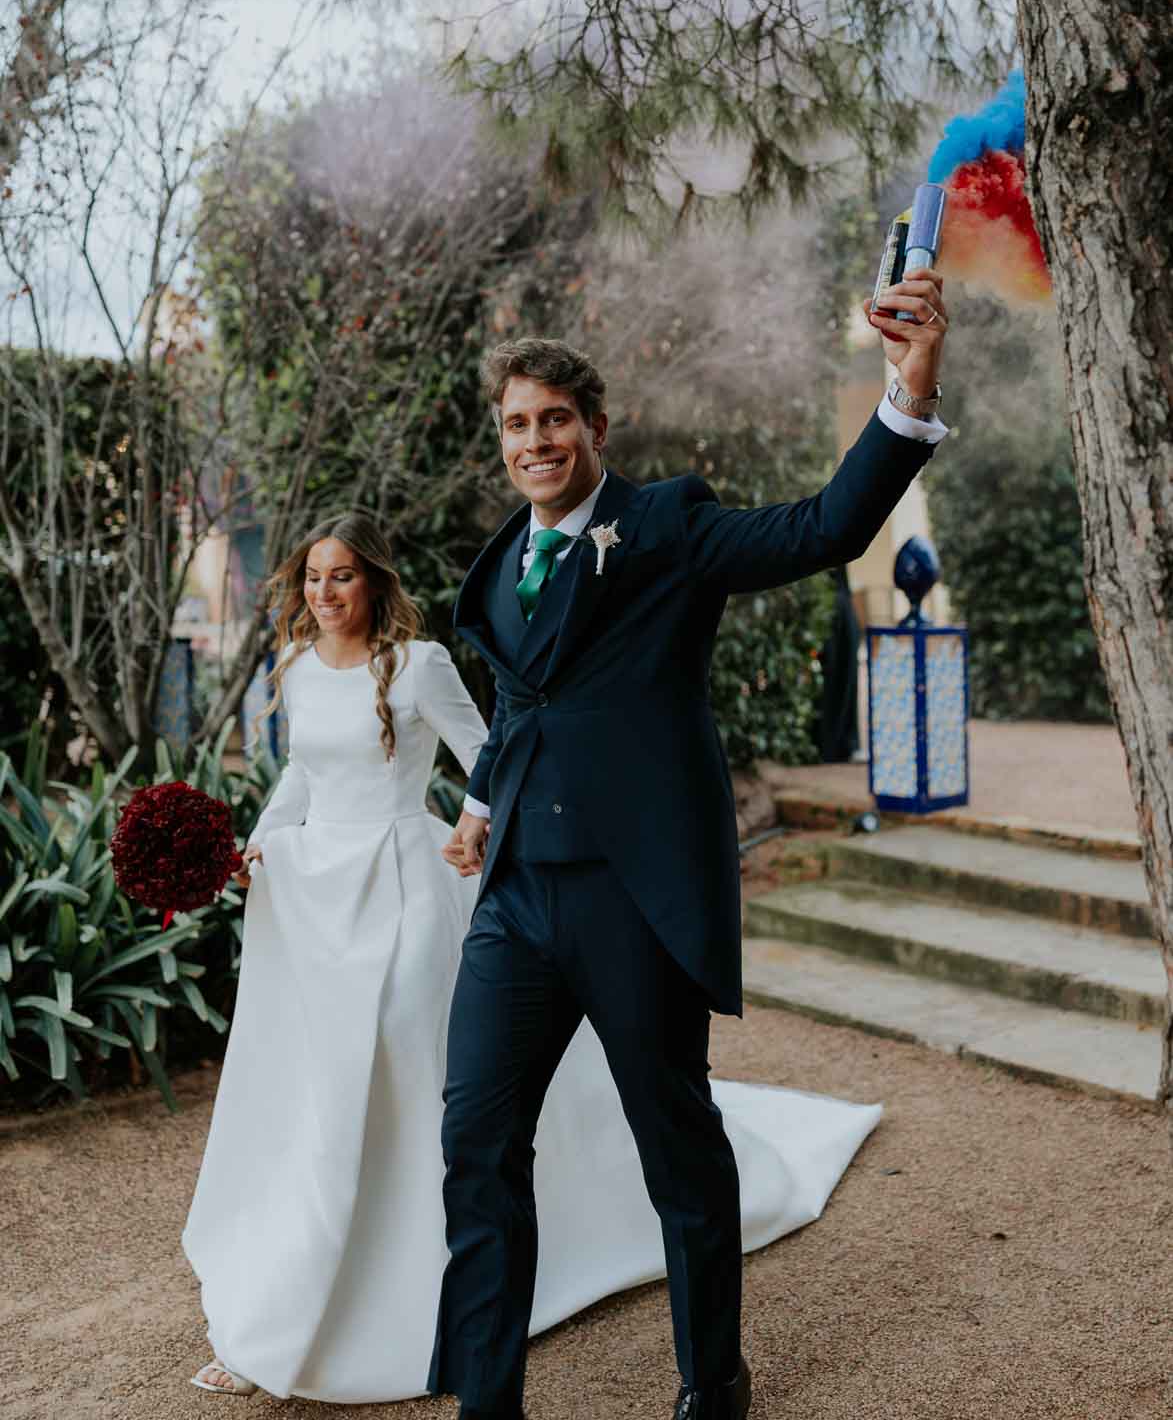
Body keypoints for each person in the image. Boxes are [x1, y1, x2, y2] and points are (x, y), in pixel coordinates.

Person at [182, 513, 888, 1402]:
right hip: (318, 895)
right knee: (329, 1088)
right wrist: (263, 838)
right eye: (313, 578)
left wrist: (477, 825)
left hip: (404, 890)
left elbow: (494, 751)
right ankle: (321, 1282)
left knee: (418, 1081)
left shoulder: (418, 665)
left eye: (342, 576)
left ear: (376, 582)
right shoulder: (292, 665)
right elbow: (300, 773)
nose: (324, 593)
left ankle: (421, 1293)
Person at [429, 268, 950, 1420]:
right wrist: (480, 802)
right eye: (516, 424)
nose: (533, 440)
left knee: (676, 1145)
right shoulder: (501, 560)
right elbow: (521, 698)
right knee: (474, 1140)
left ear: (595, 427)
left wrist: (907, 391)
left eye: (554, 419)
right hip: (516, 901)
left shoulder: (666, 524)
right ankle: (486, 1402)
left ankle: (713, 1382)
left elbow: (823, 526)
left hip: (633, 898)